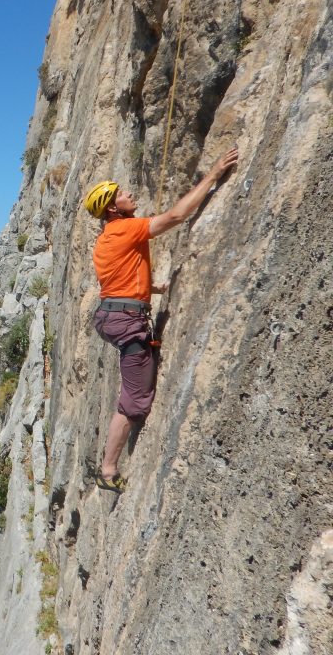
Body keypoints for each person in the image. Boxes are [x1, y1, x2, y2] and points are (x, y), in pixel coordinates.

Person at [84, 146, 239, 493]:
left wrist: (152, 288)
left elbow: (115, 278)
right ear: (112, 208)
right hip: (126, 321)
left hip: (114, 314)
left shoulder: (106, 238)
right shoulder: (125, 230)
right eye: (122, 194)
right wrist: (213, 175)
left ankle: (108, 464)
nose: (129, 194)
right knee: (133, 401)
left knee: (134, 382)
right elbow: (174, 217)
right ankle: (108, 470)